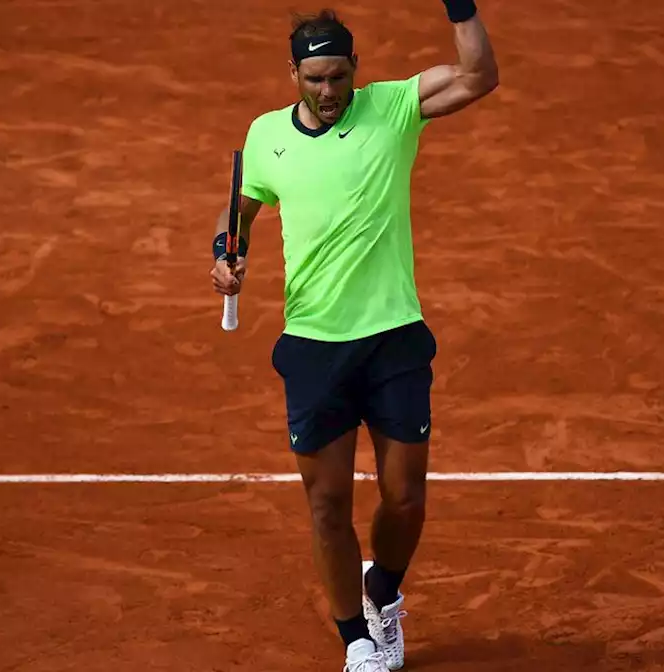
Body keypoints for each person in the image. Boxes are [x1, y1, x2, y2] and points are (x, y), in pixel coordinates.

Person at [209, 2, 498, 670]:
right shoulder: (264, 137)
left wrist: (459, 7)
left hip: (394, 337)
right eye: (314, 80)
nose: (329, 92)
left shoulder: (393, 108)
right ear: (294, 74)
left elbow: (477, 75)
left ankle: (383, 591)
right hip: (313, 345)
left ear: (355, 71)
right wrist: (228, 249)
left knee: (404, 497)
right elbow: (241, 207)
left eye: (339, 78)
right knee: (328, 502)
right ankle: (356, 640)